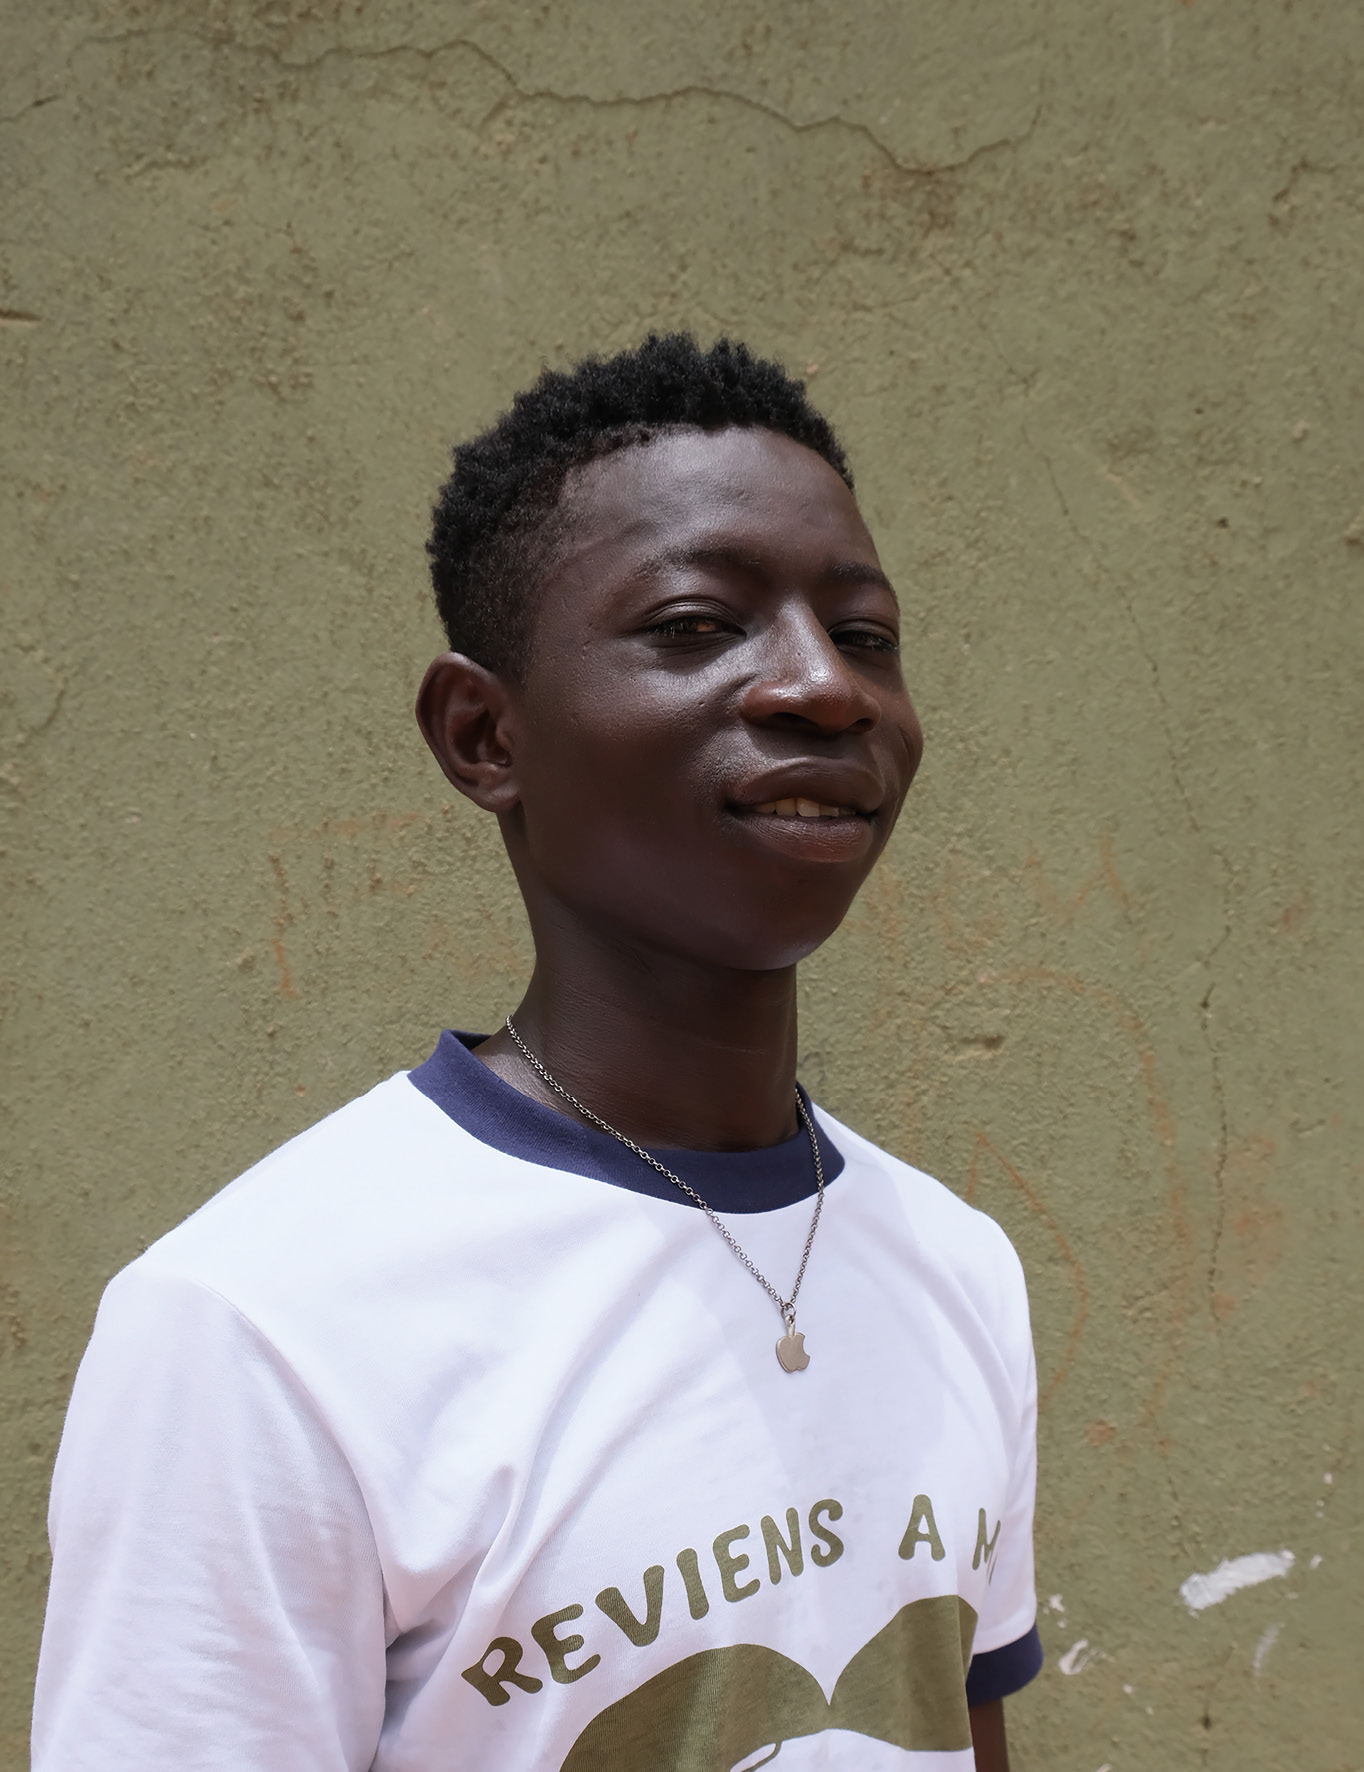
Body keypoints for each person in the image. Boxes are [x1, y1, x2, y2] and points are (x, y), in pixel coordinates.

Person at [33, 335, 1041, 1771]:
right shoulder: (258, 1325)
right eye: (700, 625)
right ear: (483, 732)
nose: (825, 688)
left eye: (866, 634)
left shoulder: (955, 1266)